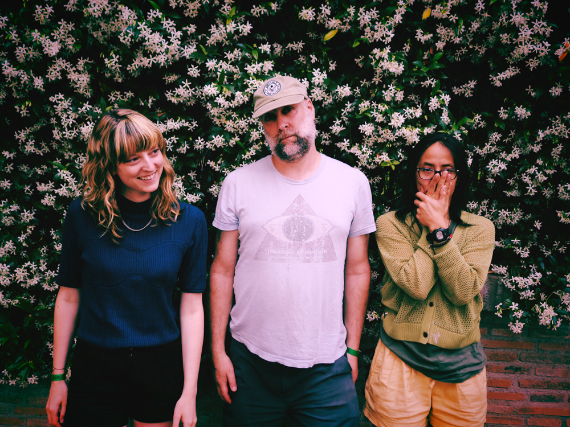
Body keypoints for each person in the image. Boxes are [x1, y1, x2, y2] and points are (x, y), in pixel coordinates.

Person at [210, 75, 376, 427]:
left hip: (327, 365)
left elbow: (358, 269)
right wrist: (218, 351)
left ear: (309, 108)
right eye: (270, 117)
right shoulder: (238, 183)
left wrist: (353, 349)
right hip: (249, 362)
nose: (281, 123)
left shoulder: (352, 182)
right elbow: (222, 270)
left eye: (289, 110)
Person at [45, 109, 207, 427]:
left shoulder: (189, 220)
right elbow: (68, 296)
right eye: (133, 159)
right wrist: (57, 376)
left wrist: (189, 392)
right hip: (96, 365)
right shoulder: (82, 216)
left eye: (154, 152)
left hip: (160, 366)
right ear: (110, 166)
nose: (150, 166)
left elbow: (191, 308)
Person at [364, 133, 495, 427]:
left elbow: (463, 291)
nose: (437, 179)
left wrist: (440, 228)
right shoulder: (391, 224)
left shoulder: (480, 228)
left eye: (447, 170)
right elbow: (417, 286)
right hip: (400, 362)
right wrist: (433, 228)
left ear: (459, 176)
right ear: (414, 174)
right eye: (427, 169)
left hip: (462, 370)